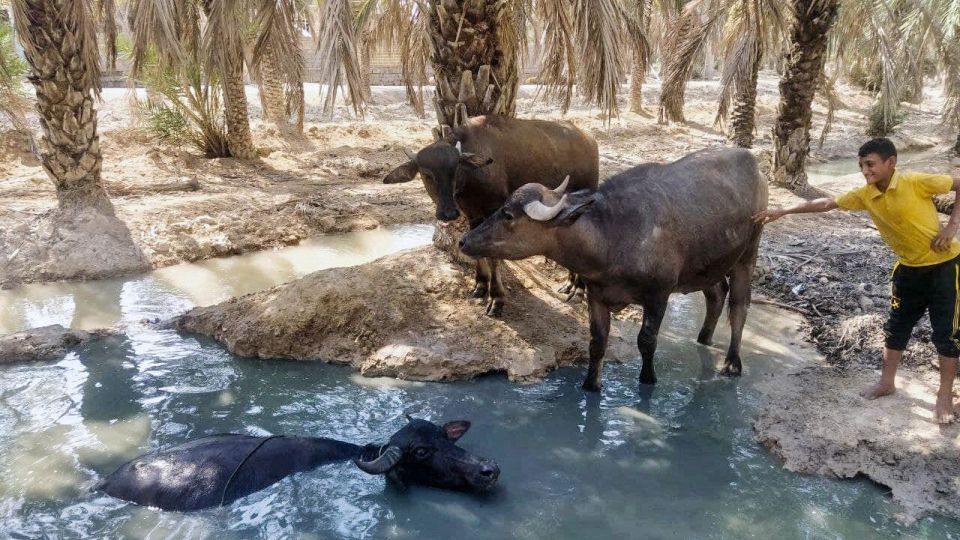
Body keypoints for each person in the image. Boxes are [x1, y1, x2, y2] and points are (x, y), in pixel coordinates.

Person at [753, 138, 960, 424]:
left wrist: (951, 226)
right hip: (908, 271)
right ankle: (886, 383)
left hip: (946, 268)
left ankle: (944, 395)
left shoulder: (915, 181)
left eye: (870, 164)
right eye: (861, 165)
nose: (865, 171)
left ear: (891, 162)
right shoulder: (865, 195)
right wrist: (784, 211)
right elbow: (827, 203)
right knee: (896, 327)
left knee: (946, 334)